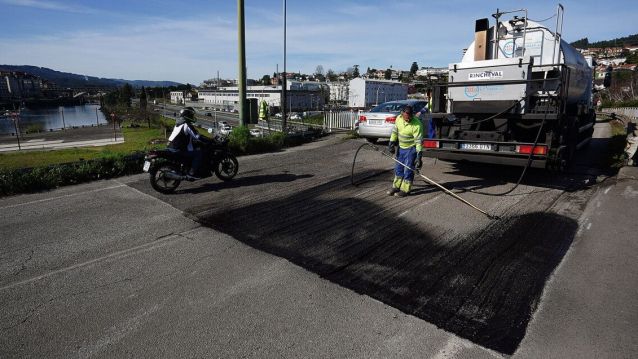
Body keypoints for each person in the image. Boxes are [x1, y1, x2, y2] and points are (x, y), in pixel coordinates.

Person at [387, 105, 424, 197]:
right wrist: (391, 143)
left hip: (411, 149)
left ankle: (405, 190)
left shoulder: (417, 124)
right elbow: (395, 132)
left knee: (408, 170)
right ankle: (396, 187)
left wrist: (419, 156)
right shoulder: (398, 119)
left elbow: (419, 142)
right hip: (401, 147)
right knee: (398, 168)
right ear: (402, 113)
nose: (408, 119)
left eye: (410, 117)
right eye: (406, 118)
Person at [168, 107, 207, 179]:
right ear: (187, 115)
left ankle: (187, 168)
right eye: (191, 115)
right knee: (198, 153)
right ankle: (191, 173)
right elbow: (197, 136)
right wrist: (207, 140)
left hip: (170, 147)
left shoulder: (177, 124)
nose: (193, 116)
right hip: (178, 148)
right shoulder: (187, 125)